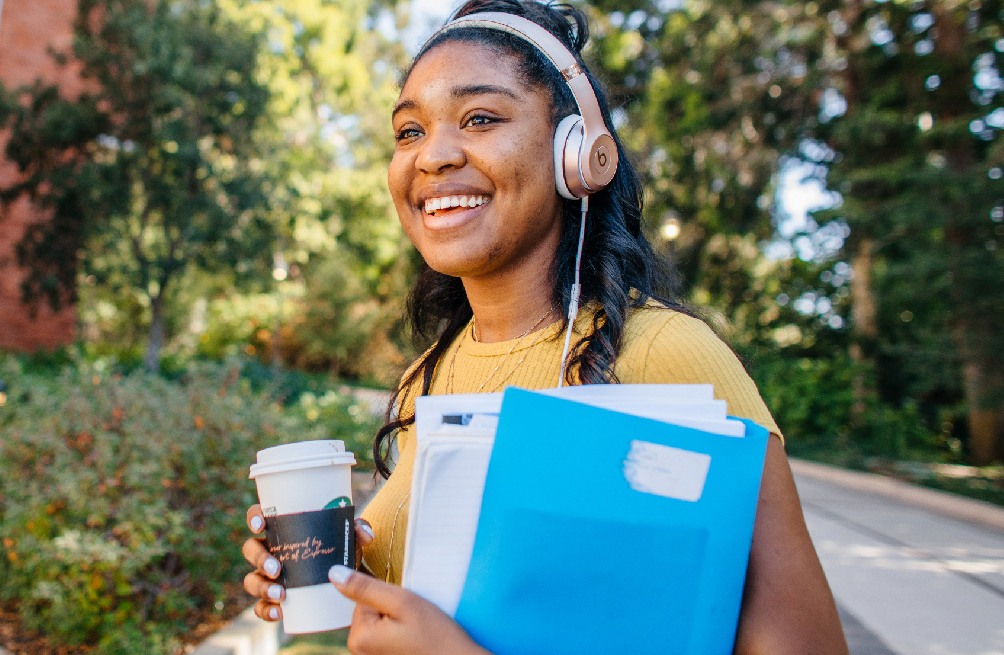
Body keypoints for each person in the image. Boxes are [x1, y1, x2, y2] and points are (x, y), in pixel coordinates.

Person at [241, 1, 849, 653]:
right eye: (409, 130)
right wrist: (349, 578)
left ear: (577, 152)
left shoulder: (665, 356)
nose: (434, 155)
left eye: (480, 118)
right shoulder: (430, 375)